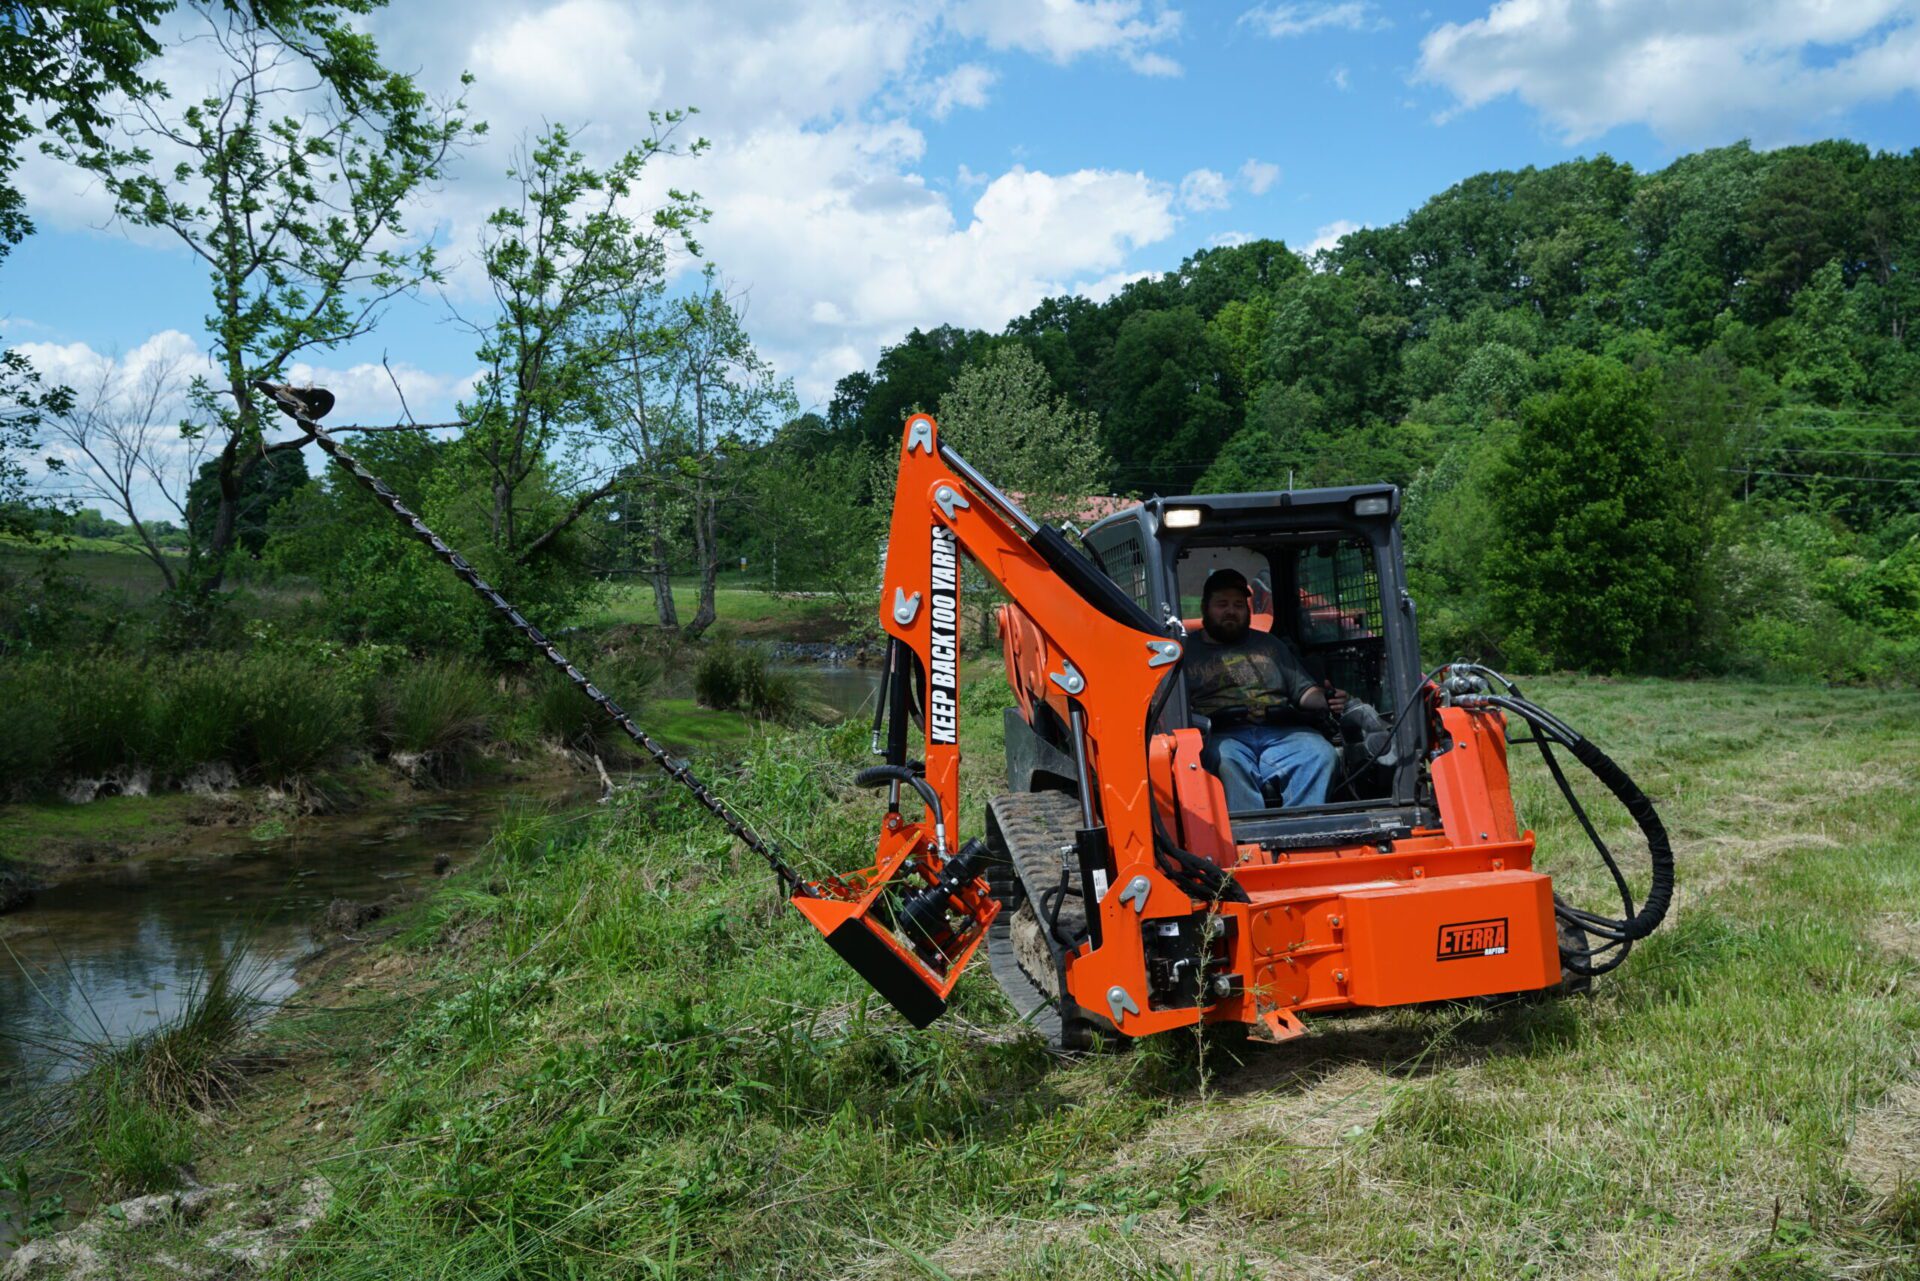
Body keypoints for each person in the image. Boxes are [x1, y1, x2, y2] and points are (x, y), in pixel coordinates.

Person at [1183, 568, 1347, 812]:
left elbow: (1303, 691)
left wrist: (1326, 699)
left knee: (1320, 753)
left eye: (1238, 605)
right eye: (1222, 604)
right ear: (1206, 608)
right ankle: (1249, 837)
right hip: (1222, 734)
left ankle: (1302, 827)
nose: (1231, 611)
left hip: (1281, 731)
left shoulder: (1269, 644)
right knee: (1226, 761)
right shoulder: (1185, 651)